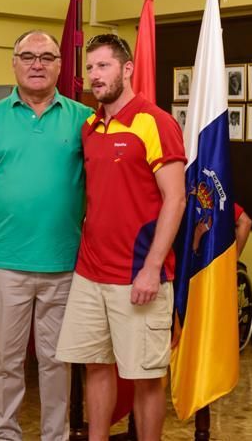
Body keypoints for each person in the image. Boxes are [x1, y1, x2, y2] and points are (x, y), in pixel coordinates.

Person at [0, 30, 92, 441]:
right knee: (5, 360)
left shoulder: (83, 120)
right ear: (14, 63)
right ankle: (5, 434)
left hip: (65, 264)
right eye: (28, 56)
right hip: (3, 265)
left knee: (57, 362)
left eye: (47, 57)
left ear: (59, 66)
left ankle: (56, 435)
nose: (37, 64)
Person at [56, 34, 186, 441]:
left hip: (137, 276)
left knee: (145, 378)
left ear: (127, 69)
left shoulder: (155, 122)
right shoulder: (90, 127)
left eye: (104, 66)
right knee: (95, 365)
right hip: (90, 273)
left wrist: (151, 269)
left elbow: (176, 199)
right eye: (90, 68)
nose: (95, 75)